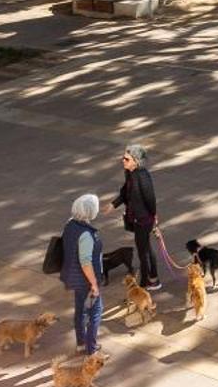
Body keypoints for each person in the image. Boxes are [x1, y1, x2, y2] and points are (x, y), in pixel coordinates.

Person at [111, 145, 161, 290]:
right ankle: (154, 278)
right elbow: (125, 193)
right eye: (123, 157)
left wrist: (154, 216)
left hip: (143, 220)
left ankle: (145, 283)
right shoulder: (130, 173)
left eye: (126, 158)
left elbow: (150, 198)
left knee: (142, 251)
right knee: (146, 247)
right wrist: (113, 205)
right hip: (138, 218)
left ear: (136, 161)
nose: (123, 160)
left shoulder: (142, 176)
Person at [61, 193, 105, 355]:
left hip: (74, 277)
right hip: (86, 279)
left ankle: (80, 342)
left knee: (80, 310)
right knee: (95, 312)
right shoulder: (86, 234)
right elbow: (86, 262)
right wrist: (94, 284)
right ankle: (91, 348)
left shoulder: (70, 224)